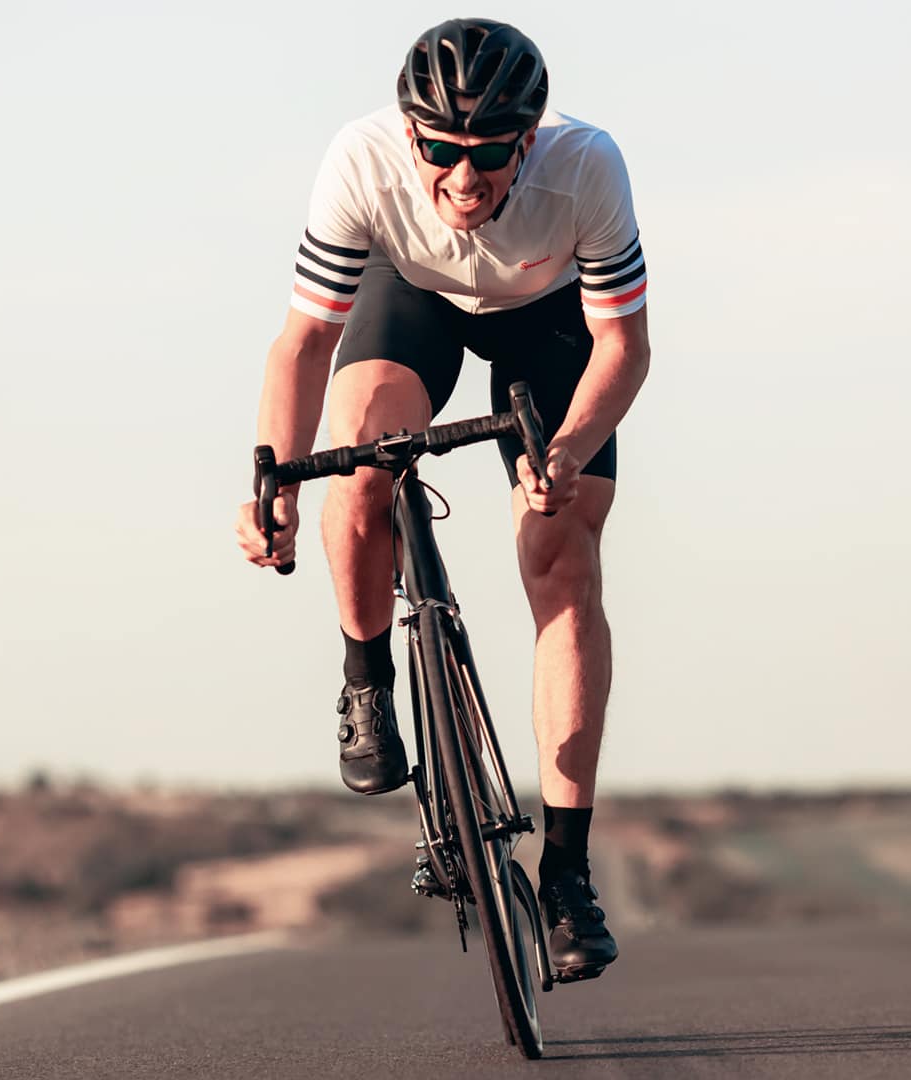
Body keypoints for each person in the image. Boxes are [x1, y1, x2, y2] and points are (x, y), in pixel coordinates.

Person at [233, 18, 648, 981]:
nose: (464, 181)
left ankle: (568, 877)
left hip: (550, 320)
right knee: (359, 461)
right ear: (410, 136)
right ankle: (367, 679)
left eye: (491, 154)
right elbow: (299, 346)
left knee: (563, 550)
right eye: (443, 153)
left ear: (529, 141)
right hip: (413, 294)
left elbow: (623, 347)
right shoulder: (362, 161)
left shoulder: (587, 168)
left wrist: (570, 452)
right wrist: (270, 476)